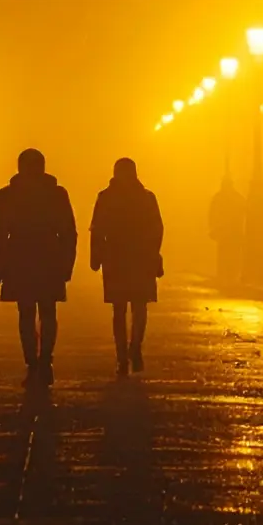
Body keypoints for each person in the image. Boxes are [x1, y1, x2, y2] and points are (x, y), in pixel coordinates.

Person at [0, 148, 77, 386]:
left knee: (26, 313)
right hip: (49, 258)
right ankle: (45, 360)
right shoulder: (56, 194)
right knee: (48, 312)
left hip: (20, 258)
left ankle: (33, 363)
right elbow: (68, 232)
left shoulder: (8, 194)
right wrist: (66, 263)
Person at [89, 157, 164, 376]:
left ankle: (122, 355)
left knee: (119, 309)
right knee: (139, 307)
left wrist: (96, 256)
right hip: (141, 258)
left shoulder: (105, 197)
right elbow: (157, 228)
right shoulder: (147, 198)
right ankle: (134, 348)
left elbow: (97, 229)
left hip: (116, 258)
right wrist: (153, 253)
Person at [209, 176, 246, 284]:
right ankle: (230, 276)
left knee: (224, 253)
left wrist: (213, 228)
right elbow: (245, 210)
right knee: (232, 254)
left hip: (225, 232)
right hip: (233, 232)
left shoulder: (218, 197)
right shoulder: (237, 197)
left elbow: (212, 214)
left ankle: (225, 275)